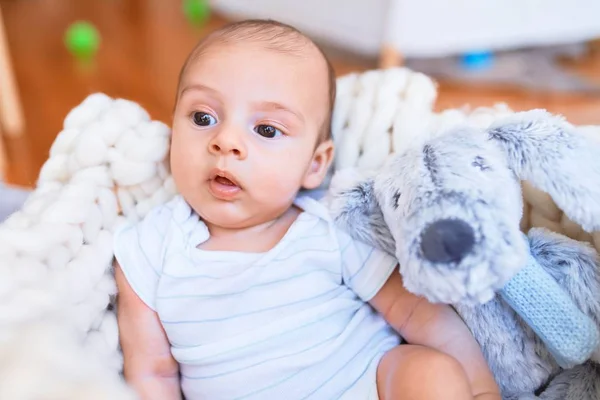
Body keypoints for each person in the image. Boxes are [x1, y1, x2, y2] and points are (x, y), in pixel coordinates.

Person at [113, 19, 501, 400]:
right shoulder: (149, 248)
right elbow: (152, 371)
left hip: (365, 386)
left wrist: (481, 388)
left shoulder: (329, 224)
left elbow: (418, 314)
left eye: (266, 130)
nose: (225, 140)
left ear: (315, 164)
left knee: (428, 371)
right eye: (203, 118)